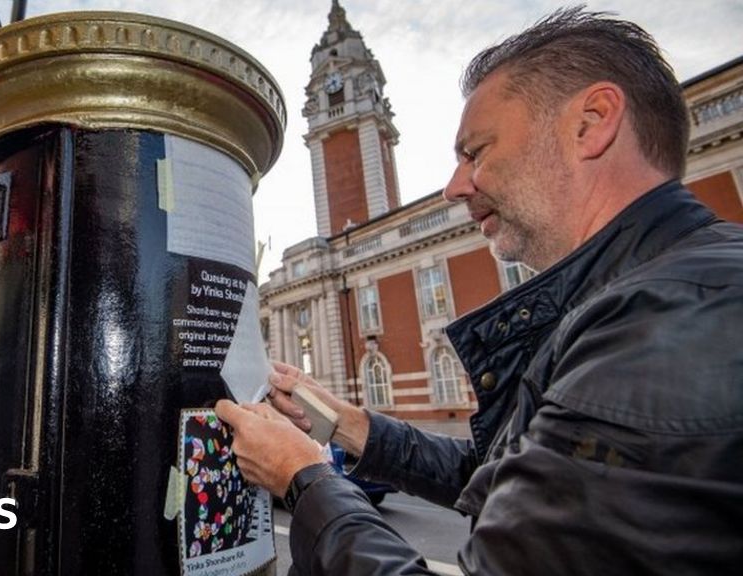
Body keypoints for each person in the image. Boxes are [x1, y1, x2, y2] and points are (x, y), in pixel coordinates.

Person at [216, 7, 743, 575]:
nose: (454, 187)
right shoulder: (652, 292)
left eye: (477, 152)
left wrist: (304, 479)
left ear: (591, 123)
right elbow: (505, 479)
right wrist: (343, 423)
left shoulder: (662, 325)